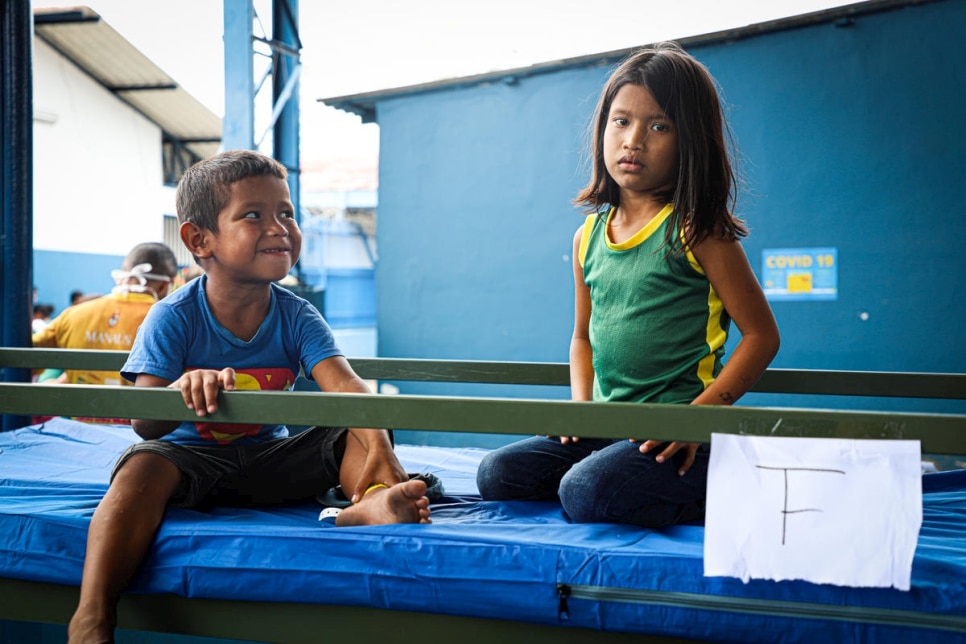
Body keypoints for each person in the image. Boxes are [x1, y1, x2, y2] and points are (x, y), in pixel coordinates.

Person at [67, 149, 431, 644]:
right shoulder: (174, 315)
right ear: (200, 239)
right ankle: (92, 615)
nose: (280, 226)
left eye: (287, 213)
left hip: (271, 460)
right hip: (191, 463)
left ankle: (367, 503)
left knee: (357, 425)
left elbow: (345, 387)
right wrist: (179, 389)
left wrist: (383, 447)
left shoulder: (297, 314)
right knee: (141, 464)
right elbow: (143, 422)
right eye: (253, 215)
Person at [476, 43, 780, 528]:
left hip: (679, 431)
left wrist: (697, 422)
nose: (633, 140)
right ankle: (621, 472)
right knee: (498, 473)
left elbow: (763, 336)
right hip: (609, 426)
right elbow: (582, 337)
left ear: (691, 141)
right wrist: (581, 412)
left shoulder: (697, 230)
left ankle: (720, 478)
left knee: (585, 490)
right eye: (621, 121)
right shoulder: (587, 236)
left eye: (659, 126)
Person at [32, 242, 179, 389]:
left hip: (81, 410)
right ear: (164, 285)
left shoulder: (72, 315)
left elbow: (27, 359)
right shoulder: (172, 322)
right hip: (138, 410)